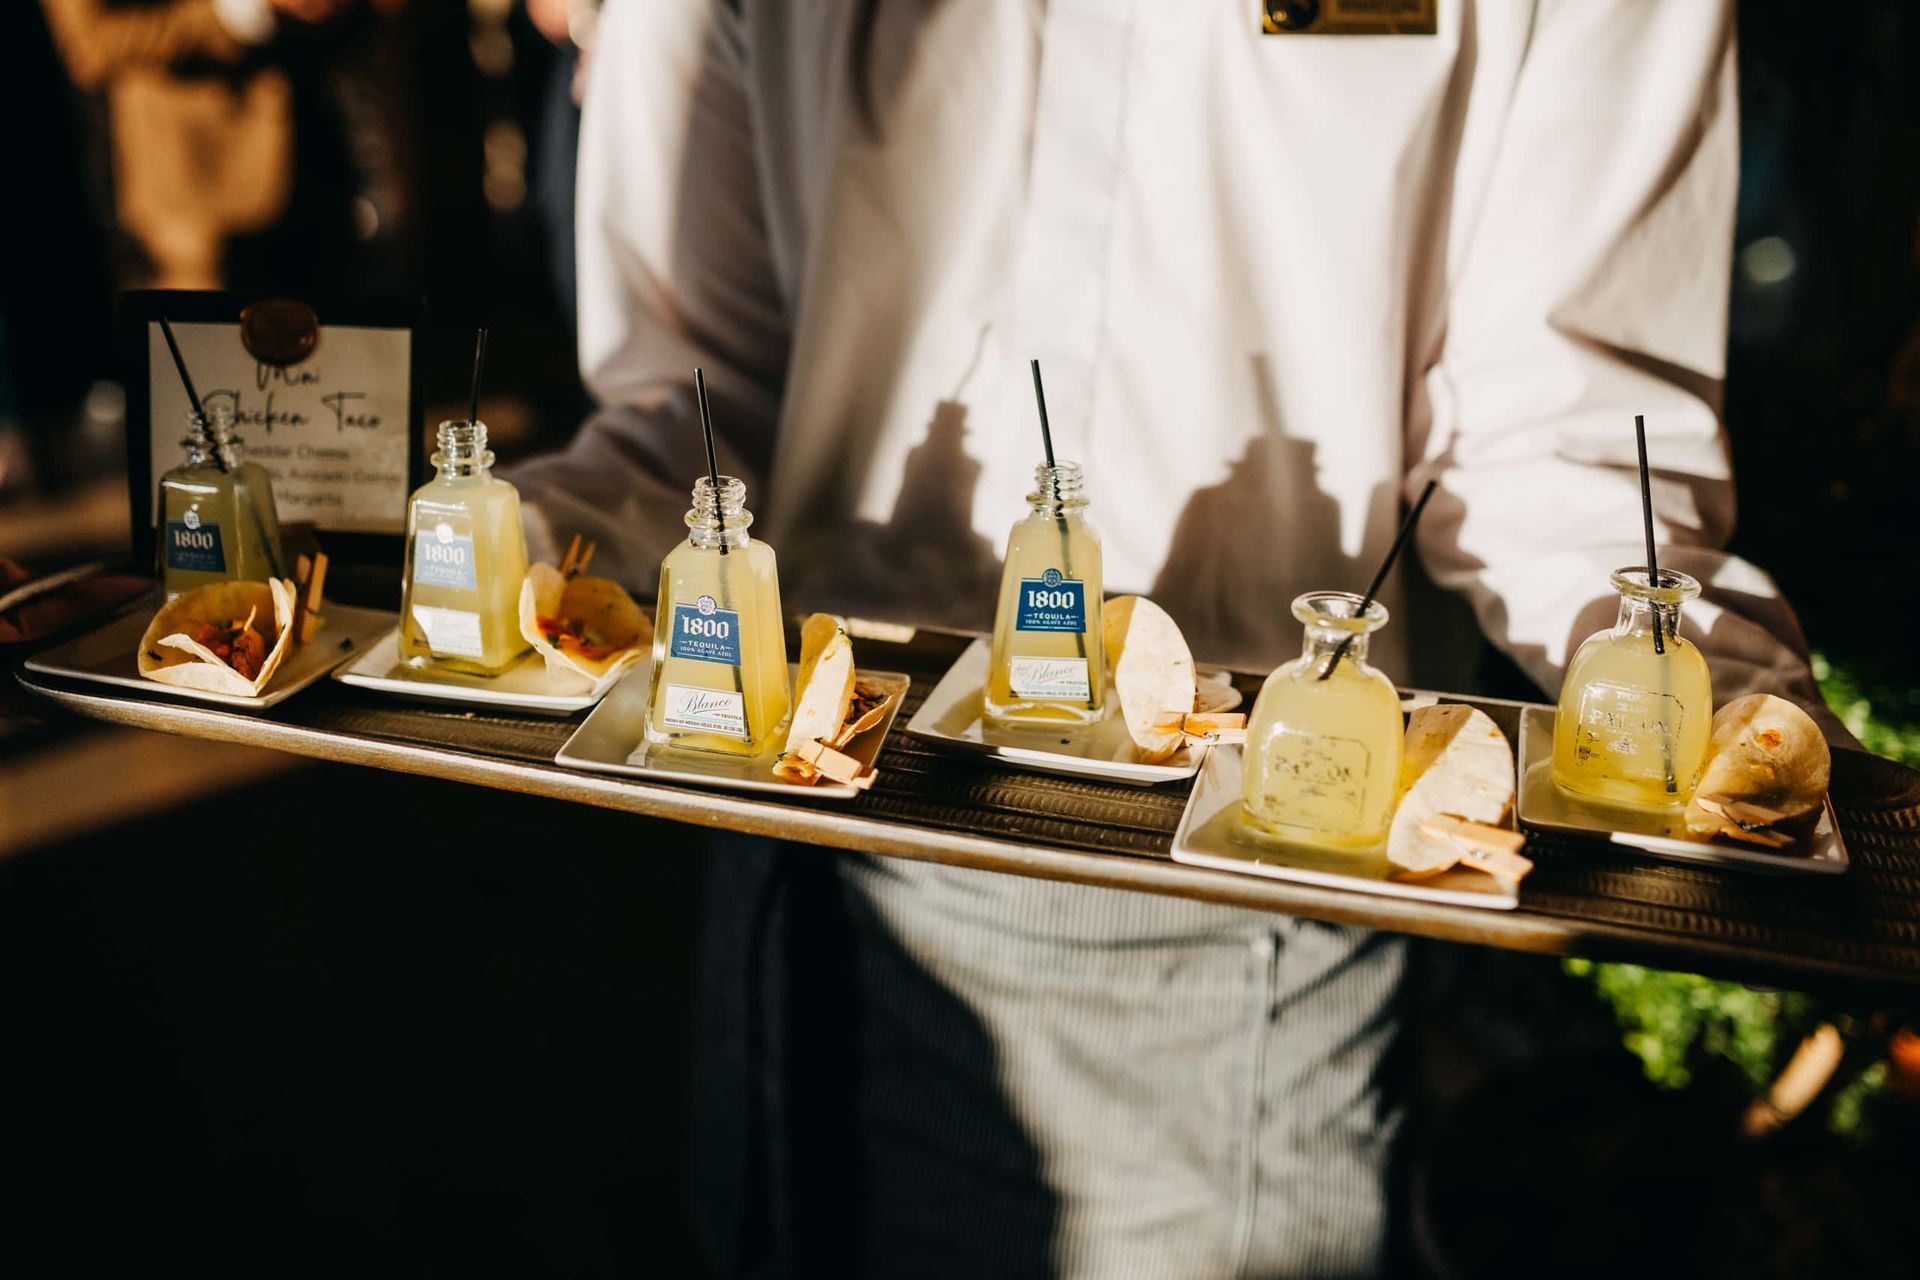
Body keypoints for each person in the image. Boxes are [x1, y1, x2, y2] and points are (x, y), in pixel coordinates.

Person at [510, 3, 1843, 1274]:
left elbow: (1553, 441)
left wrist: (1713, 701)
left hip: (1222, 915)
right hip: (787, 846)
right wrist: (505, 558)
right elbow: (695, 402)